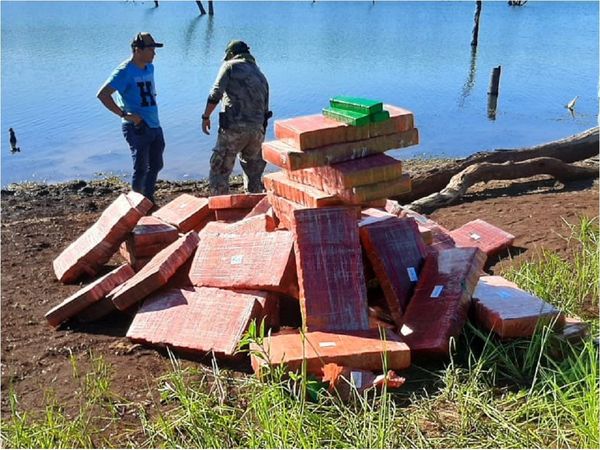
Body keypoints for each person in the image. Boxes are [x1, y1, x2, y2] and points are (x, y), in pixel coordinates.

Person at [97, 32, 165, 204]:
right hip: (136, 126)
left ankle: (148, 200)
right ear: (137, 50)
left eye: (154, 49)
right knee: (141, 167)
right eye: (150, 49)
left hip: (154, 123)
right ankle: (136, 205)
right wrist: (126, 115)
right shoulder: (124, 71)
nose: (154, 53)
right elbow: (103, 95)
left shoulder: (150, 67)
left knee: (156, 164)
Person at [201, 40, 271, 195]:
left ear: (231, 54)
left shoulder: (230, 66)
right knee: (253, 173)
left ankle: (219, 208)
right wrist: (260, 131)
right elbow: (266, 107)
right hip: (257, 130)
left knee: (219, 170)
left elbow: (215, 93)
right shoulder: (260, 74)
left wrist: (206, 116)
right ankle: (255, 206)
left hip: (234, 128)